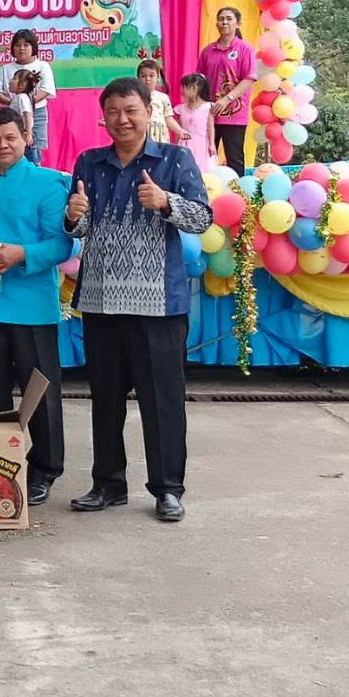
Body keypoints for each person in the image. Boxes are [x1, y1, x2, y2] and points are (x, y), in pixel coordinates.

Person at [64, 77, 212, 523]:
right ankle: (108, 484)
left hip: (158, 306)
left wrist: (166, 202)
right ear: (103, 117)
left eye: (131, 110)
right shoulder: (89, 162)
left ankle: (167, 489)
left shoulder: (174, 159)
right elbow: (79, 228)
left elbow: (203, 218)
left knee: (162, 402)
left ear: (149, 112)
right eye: (113, 112)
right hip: (101, 302)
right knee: (105, 400)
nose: (122, 119)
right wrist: (72, 218)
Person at [0, 108, 71, 506]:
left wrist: (21, 253)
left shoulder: (49, 183)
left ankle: (45, 469)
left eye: (10, 137)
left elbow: (62, 244)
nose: (2, 145)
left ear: (25, 137)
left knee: (40, 395)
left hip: (31, 308)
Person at [199, 7, 257, 172]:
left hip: (234, 115)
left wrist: (226, 100)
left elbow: (249, 79)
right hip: (209, 114)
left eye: (229, 19)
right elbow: (199, 80)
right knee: (206, 156)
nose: (224, 22)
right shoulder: (208, 51)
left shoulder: (245, 49)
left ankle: (236, 188)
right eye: (221, 19)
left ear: (238, 23)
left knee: (234, 158)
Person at [0, 29, 55, 164]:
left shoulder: (42, 66)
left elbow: (46, 90)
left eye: (26, 45)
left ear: (33, 47)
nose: (21, 48)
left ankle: (34, 173)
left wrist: (26, 102)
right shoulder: (5, 69)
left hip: (36, 112)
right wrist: (14, 103)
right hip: (11, 115)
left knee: (34, 148)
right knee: (12, 148)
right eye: (17, 45)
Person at [137, 59, 187, 145]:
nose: (147, 79)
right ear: (138, 78)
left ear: (158, 78)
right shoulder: (135, 97)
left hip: (160, 138)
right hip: (141, 135)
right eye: (143, 76)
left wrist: (179, 131)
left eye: (151, 76)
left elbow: (168, 119)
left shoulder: (163, 97)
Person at [176, 73, 216, 173]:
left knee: (201, 167)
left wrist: (212, 144)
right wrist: (176, 144)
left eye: (184, 87)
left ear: (194, 88)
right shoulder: (181, 109)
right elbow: (179, 127)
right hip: (184, 143)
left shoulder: (207, 107)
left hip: (201, 144)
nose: (182, 90)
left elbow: (210, 127)